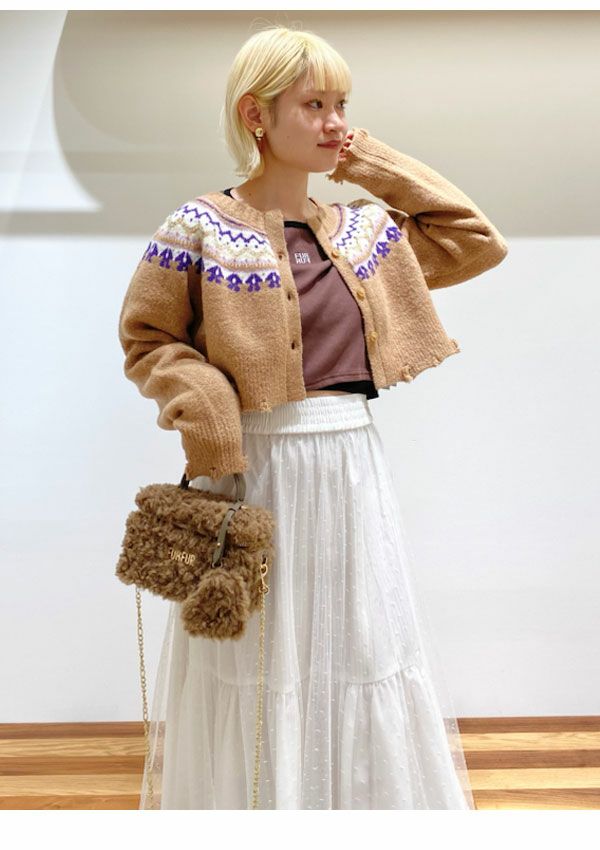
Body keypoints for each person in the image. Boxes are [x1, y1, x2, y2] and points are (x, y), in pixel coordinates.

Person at [118, 24, 508, 809]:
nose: (337, 123)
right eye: (315, 106)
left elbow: (474, 239)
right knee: (256, 663)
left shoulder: (367, 234)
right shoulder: (198, 228)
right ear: (255, 115)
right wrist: (209, 407)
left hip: (349, 468)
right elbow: (148, 338)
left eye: (343, 105)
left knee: (361, 650)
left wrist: (366, 161)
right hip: (249, 475)